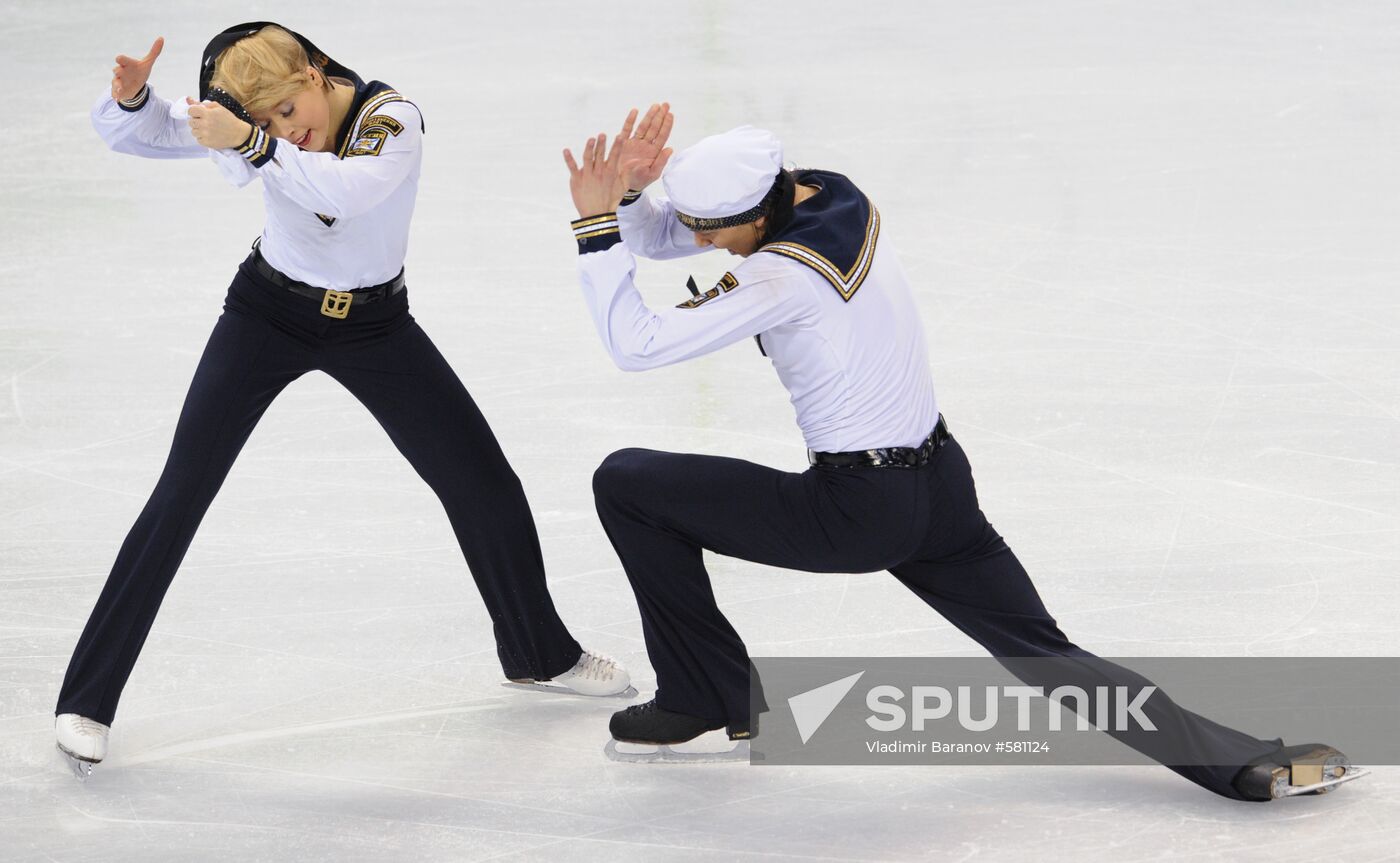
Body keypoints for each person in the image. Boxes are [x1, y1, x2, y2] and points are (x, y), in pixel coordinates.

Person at [560, 104, 1363, 800]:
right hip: (940, 485)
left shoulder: (781, 277)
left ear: (759, 215)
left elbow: (637, 345)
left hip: (855, 511)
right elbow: (677, 236)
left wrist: (598, 226)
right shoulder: (833, 195)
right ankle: (1242, 762)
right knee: (1046, 652)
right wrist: (636, 196)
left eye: (712, 229)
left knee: (627, 482)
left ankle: (708, 688)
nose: (701, 241)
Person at [54, 23, 631, 777]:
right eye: (268, 124)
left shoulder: (393, 120)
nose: (290, 131)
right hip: (267, 312)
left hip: (375, 326)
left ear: (317, 70)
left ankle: (538, 653)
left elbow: (347, 193)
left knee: (483, 481)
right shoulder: (263, 128)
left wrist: (255, 143)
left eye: (291, 111)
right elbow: (166, 133)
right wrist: (132, 105)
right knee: (181, 492)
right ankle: (87, 698)